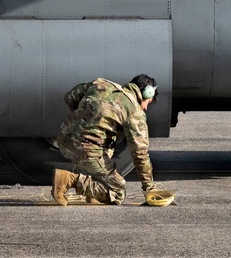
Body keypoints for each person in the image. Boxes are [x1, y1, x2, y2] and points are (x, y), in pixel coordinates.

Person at [51, 74, 159, 206]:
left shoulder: (102, 84)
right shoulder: (134, 111)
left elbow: (69, 97)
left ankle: (93, 191)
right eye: (148, 102)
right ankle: (68, 180)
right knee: (118, 192)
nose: (146, 108)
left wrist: (85, 118)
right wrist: (149, 187)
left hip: (63, 138)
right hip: (84, 148)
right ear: (146, 94)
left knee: (108, 143)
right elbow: (140, 153)